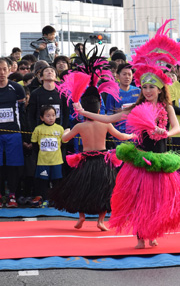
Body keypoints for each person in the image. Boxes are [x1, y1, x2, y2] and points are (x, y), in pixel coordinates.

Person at [75, 19, 180, 249]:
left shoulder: (166, 107)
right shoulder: (136, 108)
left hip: (161, 161)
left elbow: (177, 128)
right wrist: (86, 112)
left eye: (152, 87)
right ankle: (141, 236)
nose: (148, 91)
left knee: (159, 201)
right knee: (141, 200)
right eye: (145, 88)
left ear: (160, 89)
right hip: (140, 162)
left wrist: (165, 131)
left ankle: (153, 232)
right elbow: (111, 118)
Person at [53, 85, 133, 230]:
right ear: (98, 111)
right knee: (104, 190)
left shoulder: (80, 126)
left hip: (85, 161)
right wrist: (132, 135)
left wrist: (66, 130)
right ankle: (101, 221)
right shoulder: (105, 124)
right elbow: (121, 136)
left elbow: (65, 139)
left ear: (83, 111)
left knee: (81, 189)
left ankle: (81, 216)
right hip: (102, 161)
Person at [0, 58, 26, 208]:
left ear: (10, 69)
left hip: (13, 133)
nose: (1, 73)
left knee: (13, 166)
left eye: (4, 69)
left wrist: (25, 135)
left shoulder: (17, 88)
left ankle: (12, 196)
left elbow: (22, 112)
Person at [30, 106, 64, 207]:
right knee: (43, 182)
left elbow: (64, 143)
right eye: (48, 116)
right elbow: (35, 145)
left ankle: (56, 200)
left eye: (53, 115)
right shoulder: (38, 129)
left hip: (56, 161)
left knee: (56, 182)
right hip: (43, 162)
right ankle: (45, 199)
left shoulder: (60, 129)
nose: (51, 118)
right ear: (42, 118)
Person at [104, 63, 140, 142]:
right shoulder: (112, 93)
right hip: (119, 133)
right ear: (117, 76)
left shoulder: (138, 91)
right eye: (124, 74)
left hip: (136, 132)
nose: (127, 77)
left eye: (129, 74)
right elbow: (109, 113)